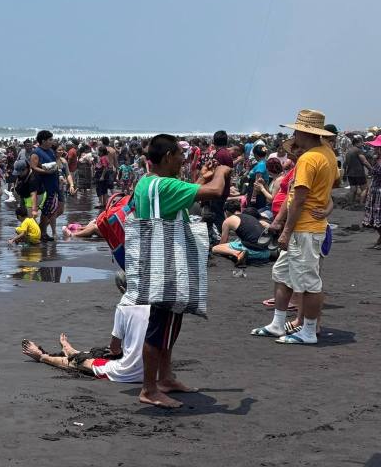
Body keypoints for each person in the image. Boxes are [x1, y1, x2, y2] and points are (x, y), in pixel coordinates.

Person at [130, 133, 230, 408]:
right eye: (179, 155)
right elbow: (215, 192)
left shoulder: (147, 183)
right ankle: (149, 389)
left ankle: (165, 378)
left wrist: (202, 178)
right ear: (167, 157)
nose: (183, 160)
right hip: (168, 264)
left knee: (170, 323)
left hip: (156, 260)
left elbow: (182, 195)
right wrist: (221, 172)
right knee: (159, 326)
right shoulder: (166, 186)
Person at [253, 110, 339, 345]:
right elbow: (328, 187)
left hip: (305, 228)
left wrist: (286, 230)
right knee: (283, 274)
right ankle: (278, 323)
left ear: (305, 132)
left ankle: (308, 330)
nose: (294, 135)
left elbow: (299, 199)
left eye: (297, 131)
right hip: (308, 226)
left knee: (308, 282)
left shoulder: (310, 158)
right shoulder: (327, 154)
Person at [22, 303, 151, 383]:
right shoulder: (159, 309)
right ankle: (71, 351)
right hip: (155, 371)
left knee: (80, 361)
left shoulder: (125, 308)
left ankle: (43, 357)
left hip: (130, 373)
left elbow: (115, 348)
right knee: (105, 352)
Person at [211, 200, 272, 265]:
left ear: (226, 212)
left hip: (253, 252)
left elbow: (222, 243)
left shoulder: (228, 220)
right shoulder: (250, 217)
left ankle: (238, 253)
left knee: (216, 248)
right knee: (239, 241)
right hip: (266, 253)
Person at [364, 136, 381, 249]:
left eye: (377, 147)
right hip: (374, 190)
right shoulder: (376, 159)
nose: (375, 149)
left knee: (378, 217)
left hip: (379, 191)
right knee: (375, 217)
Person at [344, 136, 370, 206]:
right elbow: (364, 161)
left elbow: (345, 164)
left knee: (353, 189)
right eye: (361, 142)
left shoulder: (348, 151)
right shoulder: (358, 150)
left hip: (350, 173)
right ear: (357, 143)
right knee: (365, 189)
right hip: (359, 173)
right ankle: (362, 204)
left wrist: (344, 173)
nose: (362, 144)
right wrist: (371, 169)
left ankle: (350, 204)